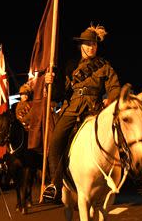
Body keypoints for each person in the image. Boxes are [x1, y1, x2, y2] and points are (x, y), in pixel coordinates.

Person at [41, 24, 121, 201]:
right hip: (72, 108)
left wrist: (110, 100)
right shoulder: (70, 65)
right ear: (81, 46)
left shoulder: (104, 66)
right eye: (87, 44)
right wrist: (50, 82)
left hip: (95, 109)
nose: (91, 47)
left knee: (117, 139)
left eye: (94, 44)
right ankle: (55, 183)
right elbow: (58, 93)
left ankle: (119, 177)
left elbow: (115, 87)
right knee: (55, 142)